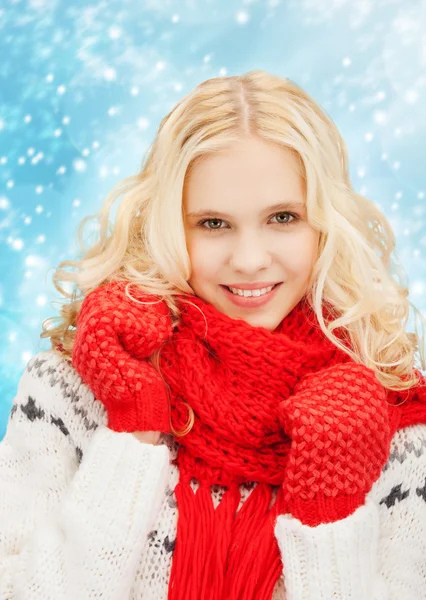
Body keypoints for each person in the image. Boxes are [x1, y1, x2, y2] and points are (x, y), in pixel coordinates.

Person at [1, 70, 426, 600]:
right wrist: (133, 426)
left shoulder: (392, 414)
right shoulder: (70, 386)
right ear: (163, 224)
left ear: (326, 224)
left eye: (283, 217)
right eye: (212, 224)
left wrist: (329, 510)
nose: (249, 260)